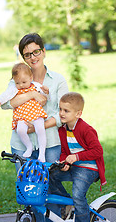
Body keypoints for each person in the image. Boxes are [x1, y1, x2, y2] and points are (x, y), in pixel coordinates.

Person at [0, 33, 69, 222]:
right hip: (21, 144)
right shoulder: (18, 77)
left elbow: (63, 114)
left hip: (49, 142)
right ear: (23, 57)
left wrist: (37, 127)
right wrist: (31, 96)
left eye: (36, 51)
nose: (33, 57)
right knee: (30, 190)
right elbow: (6, 103)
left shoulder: (57, 80)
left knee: (49, 184)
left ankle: (63, 208)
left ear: (43, 51)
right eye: (27, 54)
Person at [49, 92, 107, 222]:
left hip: (89, 169)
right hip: (74, 167)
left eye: (66, 110)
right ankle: (67, 203)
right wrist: (65, 162)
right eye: (60, 109)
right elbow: (64, 150)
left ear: (78, 113)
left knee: (78, 196)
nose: (61, 113)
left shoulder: (86, 130)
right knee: (50, 175)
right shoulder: (63, 130)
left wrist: (76, 157)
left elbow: (98, 150)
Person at [0, 63, 49, 162]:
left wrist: (46, 92)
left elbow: (45, 98)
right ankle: (29, 146)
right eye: (18, 83)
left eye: (24, 82)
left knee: (40, 129)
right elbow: (6, 95)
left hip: (36, 113)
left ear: (31, 77)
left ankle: (42, 153)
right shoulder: (14, 89)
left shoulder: (36, 86)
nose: (21, 85)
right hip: (22, 115)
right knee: (20, 130)